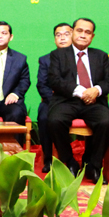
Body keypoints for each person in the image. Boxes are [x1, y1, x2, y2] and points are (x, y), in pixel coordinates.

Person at [45, 18, 109, 184]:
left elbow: (108, 82)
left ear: (92, 36)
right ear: (72, 32)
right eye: (79, 31)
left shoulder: (101, 56)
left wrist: (96, 90)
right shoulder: (58, 55)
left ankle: (93, 165)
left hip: (94, 102)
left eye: (88, 32)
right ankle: (70, 162)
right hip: (66, 100)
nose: (83, 35)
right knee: (54, 121)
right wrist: (82, 91)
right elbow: (54, 80)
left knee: (105, 122)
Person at [37, 23, 72, 172]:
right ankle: (49, 160)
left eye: (66, 34)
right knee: (44, 116)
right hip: (52, 100)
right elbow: (42, 85)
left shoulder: (80, 57)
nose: (62, 38)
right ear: (54, 39)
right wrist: (56, 101)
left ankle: (87, 161)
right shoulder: (45, 60)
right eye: (58, 35)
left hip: (75, 102)